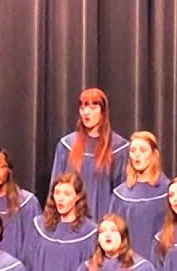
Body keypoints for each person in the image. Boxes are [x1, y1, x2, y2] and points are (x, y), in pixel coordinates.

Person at [48, 88, 128, 222]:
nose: (86, 112)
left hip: (104, 224)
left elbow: (122, 194)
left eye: (92, 107)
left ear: (103, 111)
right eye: (83, 107)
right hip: (72, 223)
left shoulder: (118, 148)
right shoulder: (67, 145)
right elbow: (56, 188)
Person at [110, 131, 170, 251]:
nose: (137, 155)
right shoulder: (121, 194)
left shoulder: (168, 191)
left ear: (154, 154)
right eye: (133, 151)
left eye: (142, 150)